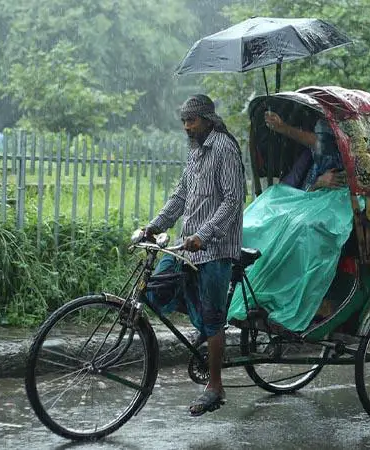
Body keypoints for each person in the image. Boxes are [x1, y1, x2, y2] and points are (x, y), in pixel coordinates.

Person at [140, 94, 245, 416]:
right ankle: (202, 324)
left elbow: (232, 200)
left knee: (213, 319)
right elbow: (181, 195)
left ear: (207, 119)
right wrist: (153, 226)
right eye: (184, 121)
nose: (187, 127)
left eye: (192, 120)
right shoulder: (196, 152)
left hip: (215, 248)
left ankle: (215, 386)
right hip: (189, 244)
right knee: (155, 290)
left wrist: (205, 235)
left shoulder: (224, 148)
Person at [263, 111, 346, 191]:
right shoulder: (308, 159)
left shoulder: (349, 159)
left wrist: (282, 127)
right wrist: (318, 184)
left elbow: (319, 143)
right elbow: (301, 196)